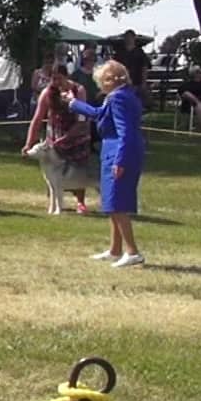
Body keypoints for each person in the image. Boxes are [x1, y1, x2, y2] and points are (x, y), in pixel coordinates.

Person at [66, 61, 147, 267]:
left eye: (102, 81)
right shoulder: (123, 95)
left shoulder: (118, 98)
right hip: (115, 150)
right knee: (111, 203)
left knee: (118, 203)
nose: (100, 85)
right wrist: (74, 103)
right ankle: (115, 249)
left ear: (109, 81)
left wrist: (120, 160)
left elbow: (125, 130)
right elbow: (99, 114)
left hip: (119, 152)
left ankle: (132, 251)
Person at [23, 70, 93, 214]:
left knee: (79, 170)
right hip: (54, 135)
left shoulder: (78, 90)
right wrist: (29, 143)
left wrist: (67, 137)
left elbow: (82, 119)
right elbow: (37, 119)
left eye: (59, 79)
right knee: (52, 171)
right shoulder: (47, 93)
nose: (55, 82)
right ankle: (55, 203)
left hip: (77, 133)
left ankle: (80, 202)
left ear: (66, 77)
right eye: (53, 79)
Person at [116, 31, 150, 100]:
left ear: (134, 38)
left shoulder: (140, 52)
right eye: (127, 37)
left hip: (136, 82)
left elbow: (144, 67)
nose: (128, 39)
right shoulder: (120, 52)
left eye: (130, 37)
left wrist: (143, 82)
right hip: (123, 83)